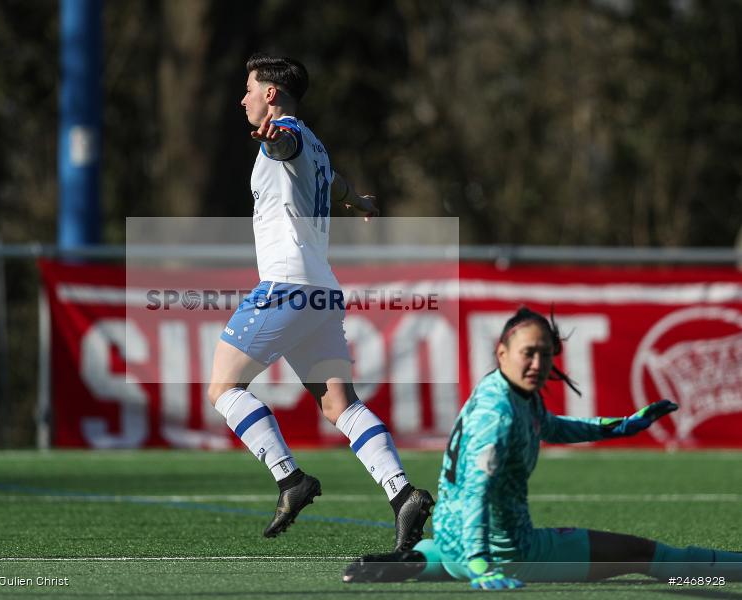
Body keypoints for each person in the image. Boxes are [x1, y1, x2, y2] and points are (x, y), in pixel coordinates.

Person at [206, 53, 434, 551]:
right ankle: (403, 494)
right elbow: (334, 183)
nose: (242, 98)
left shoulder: (281, 138)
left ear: (271, 94)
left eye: (249, 88)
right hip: (322, 292)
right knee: (340, 405)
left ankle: (290, 480)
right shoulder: (318, 145)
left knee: (223, 388)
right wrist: (360, 201)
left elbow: (283, 147)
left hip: (286, 287)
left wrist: (275, 138)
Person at [343, 307, 742, 589]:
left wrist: (621, 426)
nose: (537, 363)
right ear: (502, 353)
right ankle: (722, 573)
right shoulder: (498, 417)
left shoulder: (505, 389)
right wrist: (483, 566)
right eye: (528, 354)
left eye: (545, 355)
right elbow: (476, 494)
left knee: (458, 555)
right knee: (645, 556)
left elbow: (549, 426)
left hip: (450, 544)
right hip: (509, 553)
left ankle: (418, 564)